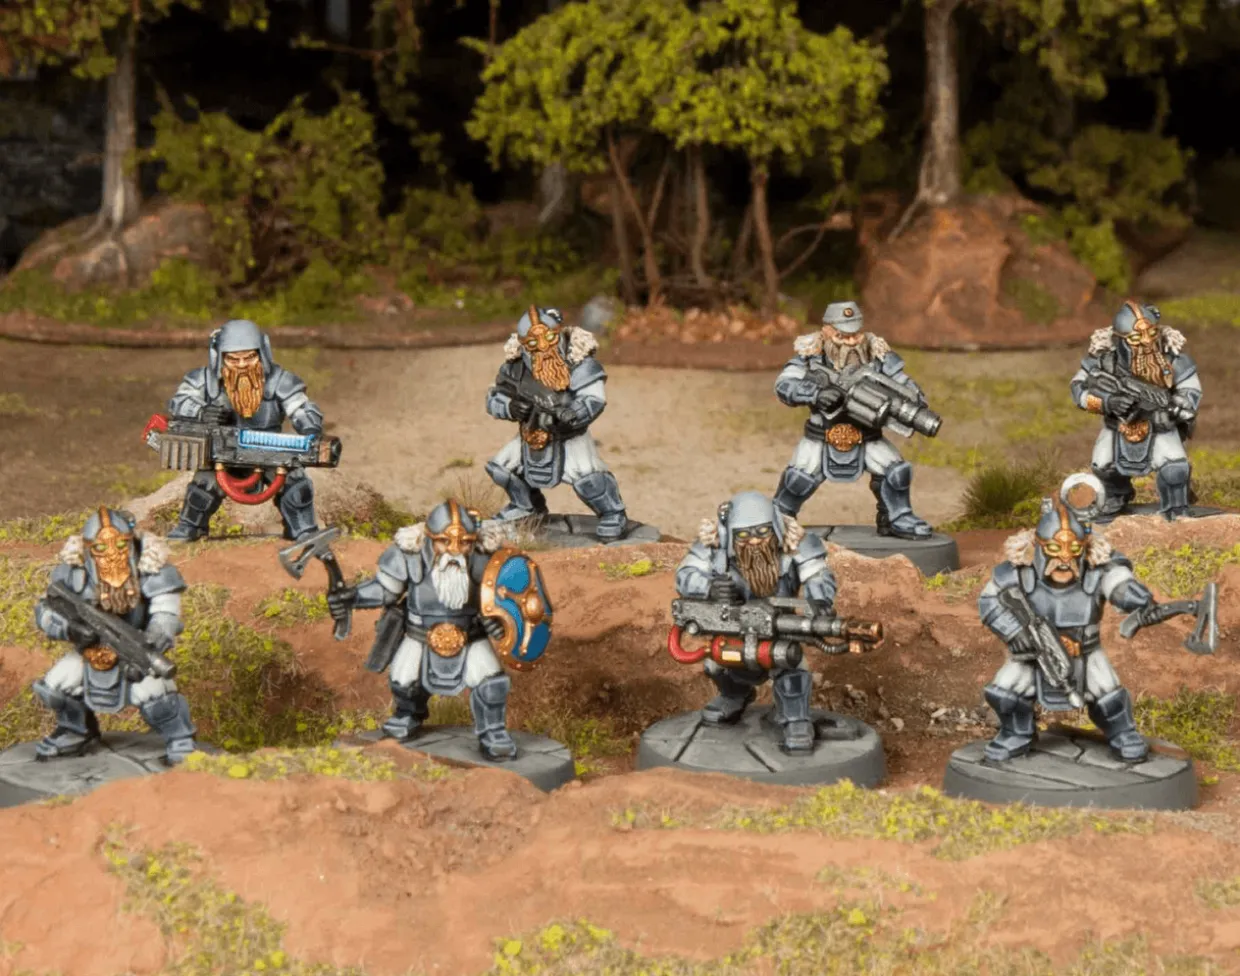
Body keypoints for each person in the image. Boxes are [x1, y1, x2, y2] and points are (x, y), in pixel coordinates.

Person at [978, 475, 1160, 763]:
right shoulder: (1017, 572)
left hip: (1085, 651)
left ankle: (1123, 734)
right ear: (1038, 546)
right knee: (1004, 692)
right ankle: (1017, 733)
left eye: (1073, 550)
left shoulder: (1097, 568)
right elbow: (989, 601)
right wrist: (1014, 632)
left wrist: (1132, 595)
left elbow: (1117, 581)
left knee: (1108, 696)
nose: (1064, 559)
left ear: (1084, 548)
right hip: (1033, 652)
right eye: (1054, 549)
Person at [328, 500, 526, 761]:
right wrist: (353, 596)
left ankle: (493, 732)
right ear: (430, 538)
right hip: (420, 634)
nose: (454, 550)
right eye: (444, 541)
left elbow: (505, 598)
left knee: (491, 683)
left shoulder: (484, 558)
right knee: (403, 680)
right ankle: (408, 715)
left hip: (470, 634)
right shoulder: (408, 556)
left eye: (464, 543)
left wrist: (499, 620)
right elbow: (386, 590)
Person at [674, 491, 836, 754]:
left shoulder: (796, 543)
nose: (754, 541)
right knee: (715, 664)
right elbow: (685, 575)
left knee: (791, 666)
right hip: (732, 628)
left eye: (762, 532)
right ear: (729, 535)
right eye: (743, 535)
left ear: (776, 527)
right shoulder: (713, 546)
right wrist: (709, 587)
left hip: (780, 628)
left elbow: (817, 574)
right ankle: (734, 696)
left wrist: (819, 601)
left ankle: (796, 719)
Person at [32, 507, 196, 764]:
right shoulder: (72, 572)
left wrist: (152, 641)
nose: (112, 555)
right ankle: (76, 730)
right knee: (54, 686)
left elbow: (166, 613)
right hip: (90, 653)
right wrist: (70, 628)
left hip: (134, 650)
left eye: (120, 545)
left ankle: (180, 739)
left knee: (155, 695)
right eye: (100, 549)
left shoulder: (150, 568)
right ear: (88, 549)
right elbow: (44, 611)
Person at [773, 301, 936, 539]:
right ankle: (780, 520)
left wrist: (915, 398)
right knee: (799, 479)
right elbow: (784, 384)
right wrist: (815, 394)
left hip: (867, 435)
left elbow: (901, 381)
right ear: (826, 331)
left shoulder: (877, 353)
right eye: (842, 336)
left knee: (896, 471)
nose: (851, 342)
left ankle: (897, 517)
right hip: (821, 435)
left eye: (855, 335)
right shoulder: (810, 355)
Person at [165, 319, 325, 541]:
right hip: (221, 452)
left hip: (269, 450)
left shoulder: (279, 380)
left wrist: (310, 427)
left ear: (262, 354)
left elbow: (300, 406)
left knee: (296, 484)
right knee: (203, 486)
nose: (241, 365)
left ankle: (303, 529)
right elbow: (179, 402)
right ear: (219, 356)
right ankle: (190, 526)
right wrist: (200, 412)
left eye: (249, 357)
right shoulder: (204, 380)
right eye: (233, 359)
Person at [485, 306, 628, 541]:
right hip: (530, 432)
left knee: (588, 478)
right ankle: (527, 506)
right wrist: (510, 407)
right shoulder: (516, 368)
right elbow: (494, 397)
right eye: (533, 343)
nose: (543, 346)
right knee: (502, 468)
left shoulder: (579, 363)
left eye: (549, 338)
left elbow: (594, 399)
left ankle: (613, 513)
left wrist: (573, 413)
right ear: (523, 344)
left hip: (570, 437)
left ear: (559, 333)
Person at [1069, 300, 1201, 520]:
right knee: (1103, 465)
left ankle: (1176, 508)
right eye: (1135, 338)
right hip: (1118, 427)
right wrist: (1107, 402)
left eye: (1152, 333)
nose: (1147, 342)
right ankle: (1115, 496)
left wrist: (1178, 405)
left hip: (1160, 427)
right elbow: (1078, 389)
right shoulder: (1103, 362)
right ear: (1119, 340)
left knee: (1175, 469)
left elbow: (1191, 389)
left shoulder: (1173, 360)